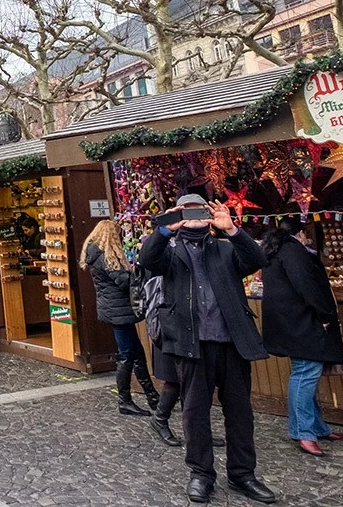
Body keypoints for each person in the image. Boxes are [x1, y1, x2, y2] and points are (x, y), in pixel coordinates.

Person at [138, 195, 276, 505]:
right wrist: (164, 228)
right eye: (188, 210)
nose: (196, 215)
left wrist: (232, 229)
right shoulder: (170, 252)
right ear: (180, 215)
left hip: (232, 342)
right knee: (194, 413)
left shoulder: (225, 248)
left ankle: (243, 474)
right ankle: (201, 474)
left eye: (201, 209)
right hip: (191, 344)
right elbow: (146, 260)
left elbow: (257, 259)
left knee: (240, 414)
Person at [262, 216, 343, 457]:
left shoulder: (274, 250)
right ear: (300, 234)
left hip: (289, 321)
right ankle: (303, 432)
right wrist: (324, 313)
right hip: (301, 320)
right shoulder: (293, 251)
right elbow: (305, 284)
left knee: (306, 371)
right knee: (305, 372)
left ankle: (317, 427)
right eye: (305, 235)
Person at [81, 219, 158, 416]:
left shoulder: (93, 253)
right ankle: (125, 400)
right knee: (126, 355)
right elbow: (123, 281)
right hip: (119, 311)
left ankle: (152, 396)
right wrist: (136, 272)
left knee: (136, 352)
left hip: (114, 310)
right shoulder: (105, 257)